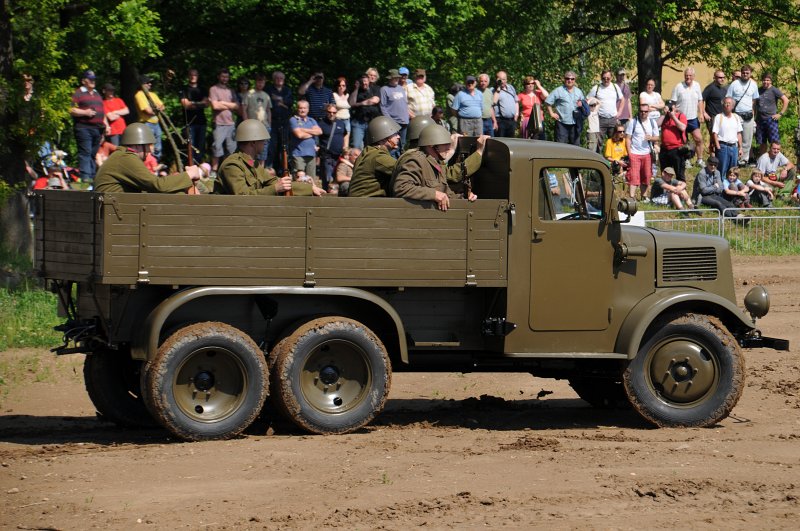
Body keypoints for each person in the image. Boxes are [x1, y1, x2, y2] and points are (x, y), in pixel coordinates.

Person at [216, 119, 322, 196]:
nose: (265, 143)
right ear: (253, 142)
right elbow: (242, 196)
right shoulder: (232, 165)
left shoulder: (252, 163)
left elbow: (274, 181)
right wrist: (275, 189)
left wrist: (308, 188)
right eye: (262, 141)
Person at [391, 124, 482, 211]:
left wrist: (464, 197)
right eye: (445, 144)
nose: (449, 148)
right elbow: (401, 187)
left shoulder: (436, 162)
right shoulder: (415, 160)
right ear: (432, 145)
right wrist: (434, 194)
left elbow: (445, 192)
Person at [94, 123, 201, 193]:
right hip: (115, 214)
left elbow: (150, 185)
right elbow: (158, 185)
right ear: (137, 145)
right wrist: (189, 174)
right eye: (147, 146)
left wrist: (179, 180)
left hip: (115, 210)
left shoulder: (121, 156)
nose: (149, 151)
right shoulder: (126, 158)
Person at [70, 69, 109, 183]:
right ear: (83, 81)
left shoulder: (97, 93)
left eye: (94, 79)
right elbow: (70, 109)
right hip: (84, 128)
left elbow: (103, 111)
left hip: (97, 129)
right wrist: (85, 112)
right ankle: (86, 178)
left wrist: (106, 125)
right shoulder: (78, 93)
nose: (93, 81)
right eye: (90, 79)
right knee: (85, 153)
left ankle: (92, 177)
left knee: (92, 154)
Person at [347, 116, 401, 197]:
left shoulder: (369, 152)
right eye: (394, 134)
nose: (398, 137)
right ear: (382, 139)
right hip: (366, 205)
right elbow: (403, 170)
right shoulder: (378, 156)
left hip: (361, 203)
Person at [624, 101, 659, 200]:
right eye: (641, 111)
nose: (643, 113)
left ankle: (644, 196)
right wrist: (629, 153)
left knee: (646, 176)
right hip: (635, 153)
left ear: (648, 112)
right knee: (634, 176)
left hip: (647, 153)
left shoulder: (652, 122)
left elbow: (657, 137)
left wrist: (651, 138)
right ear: (639, 111)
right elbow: (628, 138)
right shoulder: (633, 122)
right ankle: (631, 197)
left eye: (645, 111)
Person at [670, 67, 705, 166]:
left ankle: (700, 160)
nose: (688, 77)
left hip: (693, 117)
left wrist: (701, 113)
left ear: (693, 76)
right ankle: (686, 160)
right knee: (684, 141)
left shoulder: (697, 85)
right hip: (681, 118)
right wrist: (674, 115)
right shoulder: (678, 87)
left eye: (690, 75)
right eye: (686, 75)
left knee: (699, 138)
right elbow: (673, 102)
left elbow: (700, 100)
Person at [209, 68, 240, 175]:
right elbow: (214, 105)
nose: (225, 79)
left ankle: (228, 171)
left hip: (231, 123)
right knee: (216, 147)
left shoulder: (231, 90)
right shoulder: (213, 89)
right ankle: (214, 171)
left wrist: (222, 102)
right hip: (219, 123)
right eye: (223, 76)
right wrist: (229, 105)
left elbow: (236, 106)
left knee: (231, 149)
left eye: (226, 77)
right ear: (218, 76)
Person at [726, 64, 759, 165]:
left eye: (747, 73)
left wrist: (753, 114)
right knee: (734, 137)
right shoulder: (734, 84)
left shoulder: (753, 84)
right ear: (741, 73)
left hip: (749, 114)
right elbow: (728, 99)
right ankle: (734, 159)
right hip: (736, 114)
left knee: (747, 139)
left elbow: (754, 101)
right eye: (743, 73)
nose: (745, 74)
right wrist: (729, 113)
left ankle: (744, 160)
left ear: (750, 73)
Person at [545, 71, 585, 146]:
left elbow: (584, 103)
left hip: (575, 123)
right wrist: (551, 113)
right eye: (567, 78)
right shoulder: (558, 90)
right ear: (564, 79)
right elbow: (548, 102)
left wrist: (581, 104)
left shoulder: (579, 91)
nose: (570, 80)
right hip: (562, 123)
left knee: (576, 146)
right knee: (561, 146)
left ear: (574, 80)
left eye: (572, 79)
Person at [755, 72, 789, 156]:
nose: (766, 82)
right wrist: (753, 117)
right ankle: (762, 160)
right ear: (761, 81)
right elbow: (754, 104)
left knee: (774, 142)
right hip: (759, 119)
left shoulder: (774, 90)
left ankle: (774, 160)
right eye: (764, 80)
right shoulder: (758, 90)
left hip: (771, 120)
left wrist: (780, 114)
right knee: (762, 142)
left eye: (768, 80)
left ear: (771, 81)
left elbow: (786, 100)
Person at [180, 68, 209, 163]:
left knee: (200, 147)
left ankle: (199, 167)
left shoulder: (203, 89)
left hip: (201, 122)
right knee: (190, 147)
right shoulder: (184, 89)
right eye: (191, 75)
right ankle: (190, 166)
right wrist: (199, 104)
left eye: (195, 75)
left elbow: (206, 104)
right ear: (188, 76)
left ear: (198, 76)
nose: (193, 77)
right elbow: (185, 105)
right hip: (189, 123)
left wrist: (192, 103)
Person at [710, 97, 744, 181]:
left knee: (733, 170)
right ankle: (720, 188)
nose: (727, 105)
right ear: (723, 105)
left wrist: (740, 148)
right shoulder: (719, 117)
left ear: (733, 106)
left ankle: (731, 188)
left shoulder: (736, 117)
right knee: (722, 170)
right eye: (726, 103)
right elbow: (714, 133)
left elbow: (739, 133)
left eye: (729, 103)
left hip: (734, 147)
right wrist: (718, 147)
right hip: (723, 146)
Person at [266, 71, 294, 168]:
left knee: (284, 145)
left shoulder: (287, 90)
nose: (279, 80)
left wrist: (278, 98)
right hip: (272, 121)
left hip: (285, 121)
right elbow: (269, 104)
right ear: (274, 79)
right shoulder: (268, 89)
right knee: (272, 146)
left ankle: (284, 168)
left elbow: (290, 102)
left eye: (281, 78)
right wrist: (283, 102)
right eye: (277, 78)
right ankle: (269, 168)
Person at [134, 75, 165, 161]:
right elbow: (147, 111)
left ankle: (156, 166)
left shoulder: (153, 94)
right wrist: (157, 109)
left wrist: (156, 109)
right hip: (146, 124)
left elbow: (162, 106)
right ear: (142, 84)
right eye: (148, 83)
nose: (150, 84)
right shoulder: (139, 95)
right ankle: (149, 166)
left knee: (158, 148)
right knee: (149, 148)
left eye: (150, 82)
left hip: (156, 123)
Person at [244, 73, 272, 166]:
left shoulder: (266, 95)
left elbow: (268, 110)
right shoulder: (249, 94)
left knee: (263, 150)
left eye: (262, 82)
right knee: (251, 149)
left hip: (264, 126)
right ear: (255, 82)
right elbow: (244, 109)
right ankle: (250, 169)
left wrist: (269, 124)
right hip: (252, 126)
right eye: (259, 82)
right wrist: (246, 123)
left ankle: (260, 171)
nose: (260, 84)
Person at [289, 100, 322, 180]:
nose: (302, 110)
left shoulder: (312, 120)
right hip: (298, 154)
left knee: (311, 180)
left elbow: (320, 131)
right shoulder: (293, 120)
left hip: (311, 154)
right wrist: (313, 132)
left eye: (304, 108)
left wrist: (304, 129)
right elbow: (299, 135)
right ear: (297, 109)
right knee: (299, 178)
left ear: (308, 109)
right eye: (300, 108)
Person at [318, 103, 348, 190]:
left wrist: (345, 147)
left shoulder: (341, 123)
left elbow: (345, 134)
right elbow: (316, 137)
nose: (332, 114)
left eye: (334, 112)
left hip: (339, 156)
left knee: (337, 179)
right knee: (328, 179)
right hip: (327, 156)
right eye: (329, 112)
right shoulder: (321, 123)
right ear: (326, 112)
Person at [588, 69, 623, 142]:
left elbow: (622, 99)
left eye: (608, 78)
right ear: (601, 78)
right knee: (598, 143)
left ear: (611, 78)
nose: (606, 80)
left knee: (615, 142)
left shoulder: (615, 87)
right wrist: (592, 111)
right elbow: (588, 100)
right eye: (604, 78)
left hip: (613, 119)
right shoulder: (596, 88)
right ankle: (599, 154)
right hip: (600, 119)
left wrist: (619, 112)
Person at [380, 69, 410, 153]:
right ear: (390, 78)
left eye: (398, 77)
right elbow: (383, 106)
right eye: (395, 77)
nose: (397, 79)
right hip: (393, 121)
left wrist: (407, 117)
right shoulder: (384, 89)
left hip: (404, 121)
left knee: (403, 145)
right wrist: (390, 121)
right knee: (393, 145)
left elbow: (405, 104)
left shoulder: (401, 88)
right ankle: (391, 164)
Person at [659, 99, 689, 182]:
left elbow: (683, 127)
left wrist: (673, 117)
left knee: (679, 174)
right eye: (668, 106)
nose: (670, 108)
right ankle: (666, 192)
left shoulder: (680, 116)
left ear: (675, 107)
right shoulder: (664, 117)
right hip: (665, 149)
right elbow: (657, 124)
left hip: (677, 149)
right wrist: (663, 114)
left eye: (671, 106)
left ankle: (681, 192)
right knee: (665, 174)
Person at [349, 72, 381, 149]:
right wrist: (356, 88)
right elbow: (351, 103)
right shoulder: (356, 91)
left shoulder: (375, 88)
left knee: (371, 146)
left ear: (369, 81)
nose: (364, 83)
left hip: (372, 122)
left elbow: (375, 100)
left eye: (365, 81)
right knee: (356, 146)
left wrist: (359, 104)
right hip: (358, 122)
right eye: (362, 81)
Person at [702, 70, 728, 156]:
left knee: (720, 137)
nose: (722, 79)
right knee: (714, 136)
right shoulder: (710, 88)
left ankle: (718, 155)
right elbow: (701, 100)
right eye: (720, 77)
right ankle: (712, 156)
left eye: (723, 77)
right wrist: (704, 113)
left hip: (722, 117)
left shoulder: (724, 89)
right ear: (715, 78)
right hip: (712, 117)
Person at [492, 70, 518, 137]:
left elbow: (516, 101)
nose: (502, 81)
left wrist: (516, 115)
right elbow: (493, 103)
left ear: (506, 79)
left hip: (512, 120)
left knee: (511, 142)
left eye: (504, 79)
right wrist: (498, 88)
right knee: (500, 143)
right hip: (500, 121)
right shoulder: (493, 90)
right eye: (500, 79)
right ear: (496, 79)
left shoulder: (511, 88)